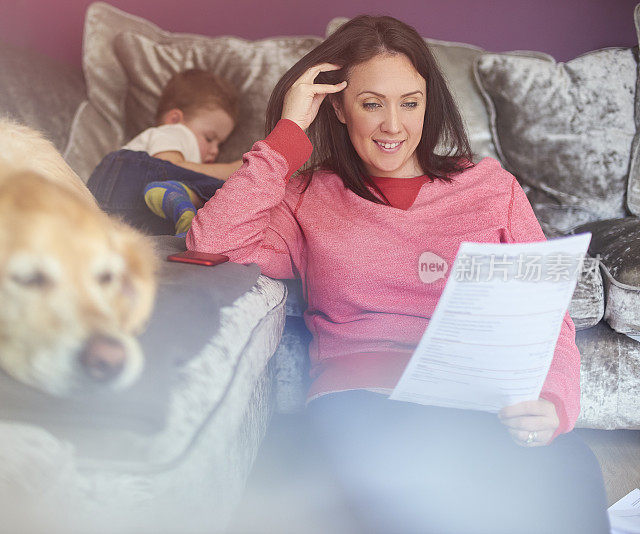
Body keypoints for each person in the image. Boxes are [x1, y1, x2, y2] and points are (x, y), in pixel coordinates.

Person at [186, 15, 609, 534]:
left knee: (573, 471)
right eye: (372, 104)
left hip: (476, 402)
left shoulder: (490, 188)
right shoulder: (307, 196)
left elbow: (547, 312)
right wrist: (290, 133)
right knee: (424, 489)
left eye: (409, 102)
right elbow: (211, 240)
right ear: (337, 107)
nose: (394, 125)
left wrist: (552, 400)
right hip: (362, 403)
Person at [87, 69, 242, 237]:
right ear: (174, 119)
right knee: (226, 191)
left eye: (220, 144)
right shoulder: (174, 131)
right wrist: (231, 170)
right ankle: (181, 193)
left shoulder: (181, 135)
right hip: (127, 180)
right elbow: (168, 164)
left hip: (107, 207)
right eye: (209, 138)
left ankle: (181, 206)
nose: (215, 151)